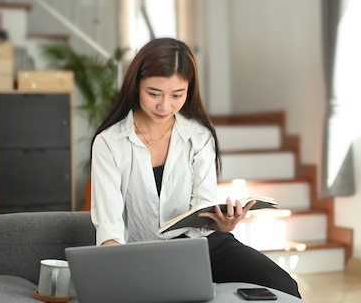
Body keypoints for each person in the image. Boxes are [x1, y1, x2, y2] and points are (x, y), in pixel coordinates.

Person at [89, 37, 301, 298]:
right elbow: (109, 226)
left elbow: (202, 208)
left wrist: (222, 224)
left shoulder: (198, 137)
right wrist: (118, 272)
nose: (164, 106)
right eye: (153, 93)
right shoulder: (109, 143)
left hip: (201, 246)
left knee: (284, 286)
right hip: (142, 252)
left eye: (177, 95)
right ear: (136, 86)